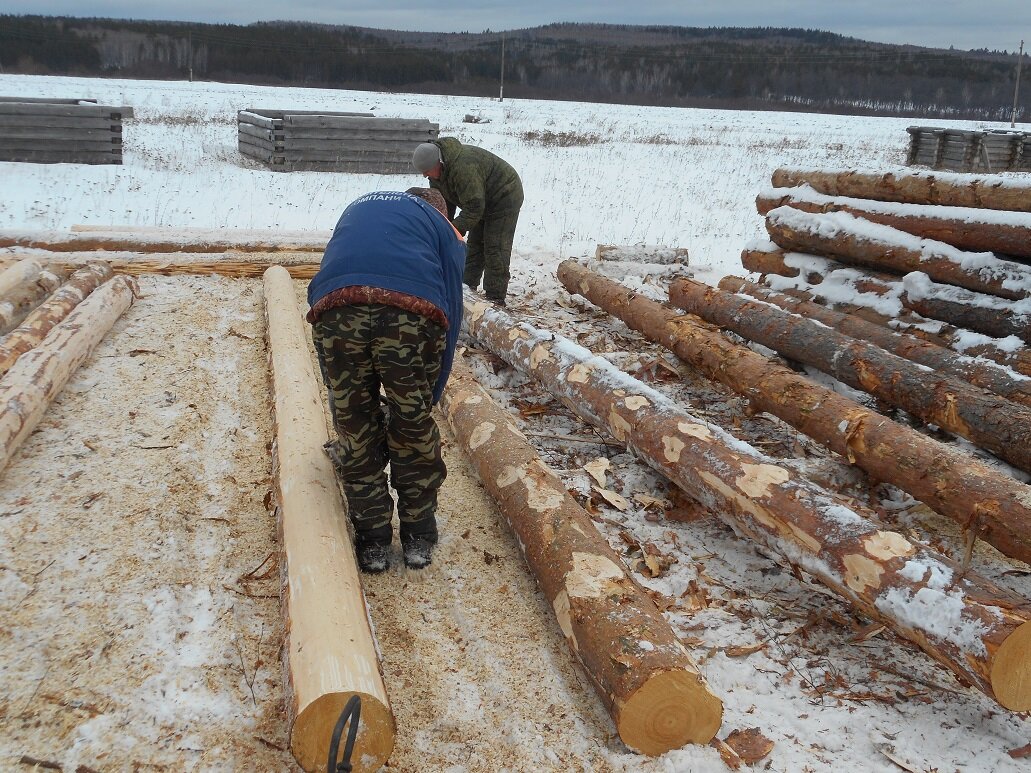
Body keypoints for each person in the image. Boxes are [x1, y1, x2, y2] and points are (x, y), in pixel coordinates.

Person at [307, 187, 466, 573]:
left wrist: (340, 393)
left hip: (336, 309)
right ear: (442, 213)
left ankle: (373, 540)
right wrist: (427, 396)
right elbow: (452, 305)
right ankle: (418, 534)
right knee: (412, 424)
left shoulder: (357, 207)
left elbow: (331, 271)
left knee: (355, 426)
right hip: (410, 316)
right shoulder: (442, 226)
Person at [412, 138, 522, 306]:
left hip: (504, 196)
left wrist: (452, 231)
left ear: (438, 163)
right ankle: (465, 289)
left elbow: (474, 207)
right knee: (475, 246)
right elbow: (445, 202)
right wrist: (442, 227)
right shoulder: (438, 173)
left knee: (495, 247)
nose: (425, 175)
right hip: (478, 199)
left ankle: (495, 299)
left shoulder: (463, 168)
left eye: (427, 171)